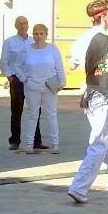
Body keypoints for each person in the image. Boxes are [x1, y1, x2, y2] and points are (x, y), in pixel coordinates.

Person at [67, 0, 108, 203]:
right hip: (99, 93)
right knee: (100, 141)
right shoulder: (102, 38)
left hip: (91, 91)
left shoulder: (85, 36)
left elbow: (73, 64)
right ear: (103, 16)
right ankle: (79, 187)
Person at [19, 24, 65, 154]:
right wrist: (24, 78)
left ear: (46, 35)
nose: (38, 36)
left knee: (51, 114)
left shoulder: (52, 49)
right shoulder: (26, 49)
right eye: (36, 33)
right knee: (32, 114)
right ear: (32, 35)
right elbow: (18, 66)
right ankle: (28, 144)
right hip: (32, 87)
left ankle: (55, 144)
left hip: (49, 86)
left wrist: (61, 82)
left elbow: (59, 67)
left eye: (41, 33)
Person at [0, 15, 42, 151]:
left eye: (26, 23)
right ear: (16, 26)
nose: (24, 26)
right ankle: (15, 140)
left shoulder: (32, 41)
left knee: (35, 110)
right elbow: (4, 61)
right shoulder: (10, 42)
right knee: (16, 110)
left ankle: (36, 141)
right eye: (21, 23)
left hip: (31, 79)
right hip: (17, 80)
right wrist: (9, 76)